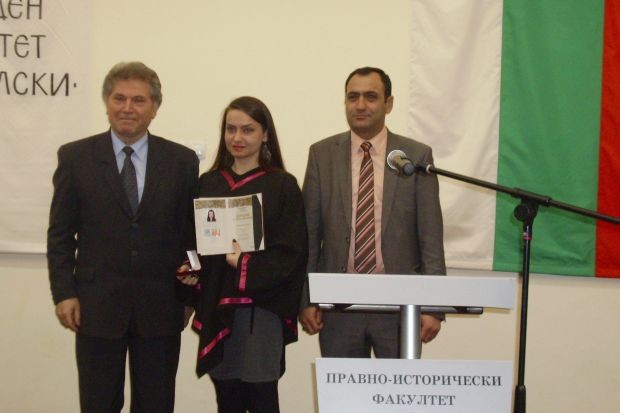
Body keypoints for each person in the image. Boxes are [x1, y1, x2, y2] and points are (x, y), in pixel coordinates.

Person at [47, 61, 199, 412]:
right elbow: (60, 234)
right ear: (107, 102)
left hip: (162, 306)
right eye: (119, 98)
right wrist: (64, 293)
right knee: (99, 403)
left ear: (154, 108)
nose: (127, 108)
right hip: (96, 306)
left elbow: (191, 235)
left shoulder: (182, 161)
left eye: (138, 100)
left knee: (156, 404)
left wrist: (190, 294)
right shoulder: (76, 157)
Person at [299, 67, 446, 358]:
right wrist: (307, 297)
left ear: (388, 104)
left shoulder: (414, 156)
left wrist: (433, 305)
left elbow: (430, 235)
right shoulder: (322, 154)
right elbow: (309, 234)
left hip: (400, 305)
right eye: (353, 97)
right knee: (342, 388)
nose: (360, 105)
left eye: (371, 97)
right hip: (337, 305)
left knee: (399, 388)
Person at [179, 96, 307, 412]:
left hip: (261, 310)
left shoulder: (282, 185)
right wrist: (190, 269)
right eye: (231, 129)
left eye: (248, 130)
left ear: (265, 134)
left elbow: (292, 254)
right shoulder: (208, 183)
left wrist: (245, 263)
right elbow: (191, 240)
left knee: (262, 396)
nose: (237, 137)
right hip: (216, 305)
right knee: (227, 398)